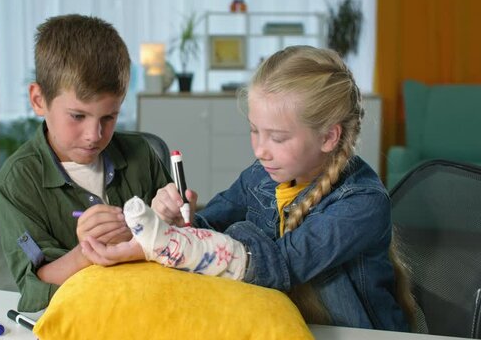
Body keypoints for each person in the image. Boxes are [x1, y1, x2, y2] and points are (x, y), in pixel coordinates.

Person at [80, 45, 415, 331]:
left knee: (243, 234)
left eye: (278, 137)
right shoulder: (262, 175)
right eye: (255, 131)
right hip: (288, 325)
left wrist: (166, 244)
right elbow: (209, 225)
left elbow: (279, 265)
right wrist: (177, 221)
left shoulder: (362, 203)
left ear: (328, 136)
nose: (260, 150)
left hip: (359, 333)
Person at [0, 14, 172, 312]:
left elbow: (184, 245)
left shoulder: (141, 153)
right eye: (77, 116)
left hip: (154, 305)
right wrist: (86, 254)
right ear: (39, 100)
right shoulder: (17, 181)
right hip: (84, 316)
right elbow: (36, 284)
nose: (94, 135)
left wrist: (174, 222)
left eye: (108, 117)